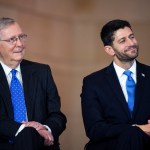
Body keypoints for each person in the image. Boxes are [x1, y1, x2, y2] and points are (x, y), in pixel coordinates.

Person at [81, 19, 150, 150]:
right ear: (110, 50)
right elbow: (94, 129)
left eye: (132, 37)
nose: (132, 43)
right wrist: (136, 129)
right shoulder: (93, 82)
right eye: (123, 41)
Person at [0, 17, 67, 150]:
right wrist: (25, 129)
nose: (19, 44)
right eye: (12, 40)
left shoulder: (42, 72)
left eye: (21, 37)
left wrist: (45, 129)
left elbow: (57, 115)